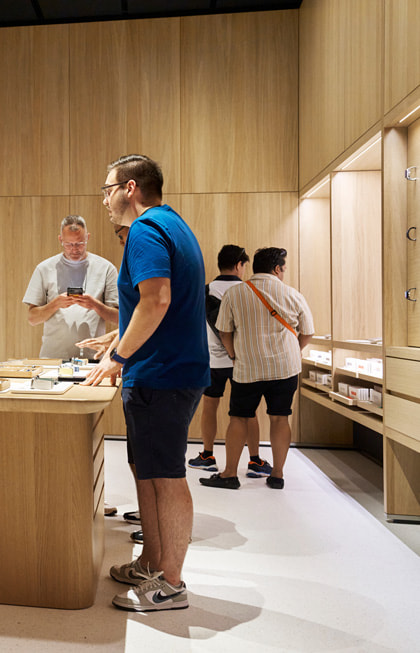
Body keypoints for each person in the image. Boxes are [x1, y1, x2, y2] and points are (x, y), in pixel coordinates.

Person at [84, 154, 209, 612]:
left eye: (107, 188)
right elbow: (156, 306)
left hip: (162, 374)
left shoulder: (144, 230)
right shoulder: (172, 224)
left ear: (130, 188)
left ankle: (170, 584)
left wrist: (118, 358)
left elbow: (156, 300)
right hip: (166, 370)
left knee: (167, 477)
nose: (104, 199)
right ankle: (152, 564)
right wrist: (117, 335)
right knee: (149, 472)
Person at [200, 247, 314, 491]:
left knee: (239, 417)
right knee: (280, 417)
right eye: (283, 268)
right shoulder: (293, 294)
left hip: (248, 367)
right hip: (285, 369)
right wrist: (294, 350)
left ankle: (230, 474)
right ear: (277, 269)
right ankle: (277, 475)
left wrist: (233, 354)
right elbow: (308, 331)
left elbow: (224, 331)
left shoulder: (237, 293)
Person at [189, 245, 270, 475]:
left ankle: (207, 455)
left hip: (212, 361)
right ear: (238, 265)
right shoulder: (249, 290)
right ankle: (254, 460)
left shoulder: (204, 291)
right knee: (248, 411)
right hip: (241, 361)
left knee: (209, 406)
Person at [23, 215, 118, 359]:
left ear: (88, 237)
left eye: (80, 243)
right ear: (60, 239)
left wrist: (95, 305)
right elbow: (32, 319)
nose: (75, 249)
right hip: (53, 358)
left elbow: (119, 318)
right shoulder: (44, 268)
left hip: (93, 359)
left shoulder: (106, 268)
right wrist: (55, 304)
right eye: (69, 244)